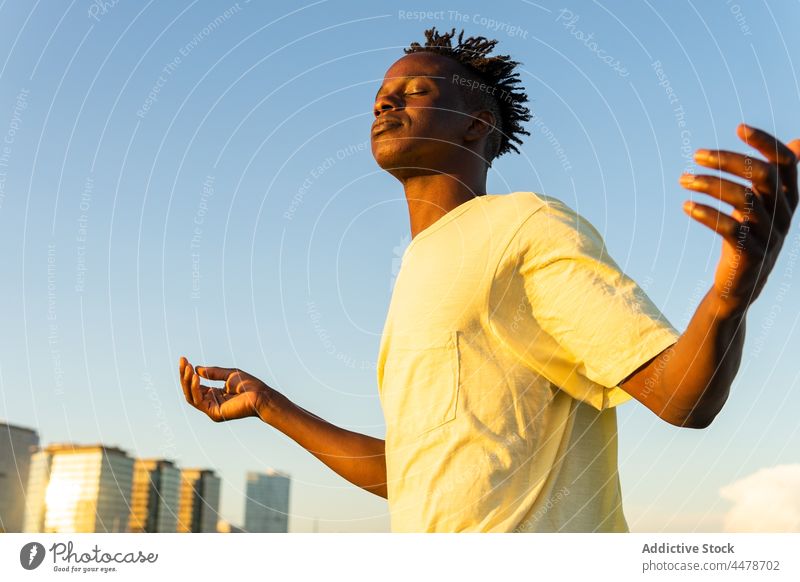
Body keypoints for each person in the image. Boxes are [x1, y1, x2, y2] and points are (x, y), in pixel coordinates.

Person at [178, 28, 800, 532]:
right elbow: (415, 475)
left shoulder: (524, 225)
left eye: (415, 90)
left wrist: (729, 295)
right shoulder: (419, 267)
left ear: (476, 124)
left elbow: (680, 397)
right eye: (381, 94)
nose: (384, 102)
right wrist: (269, 406)